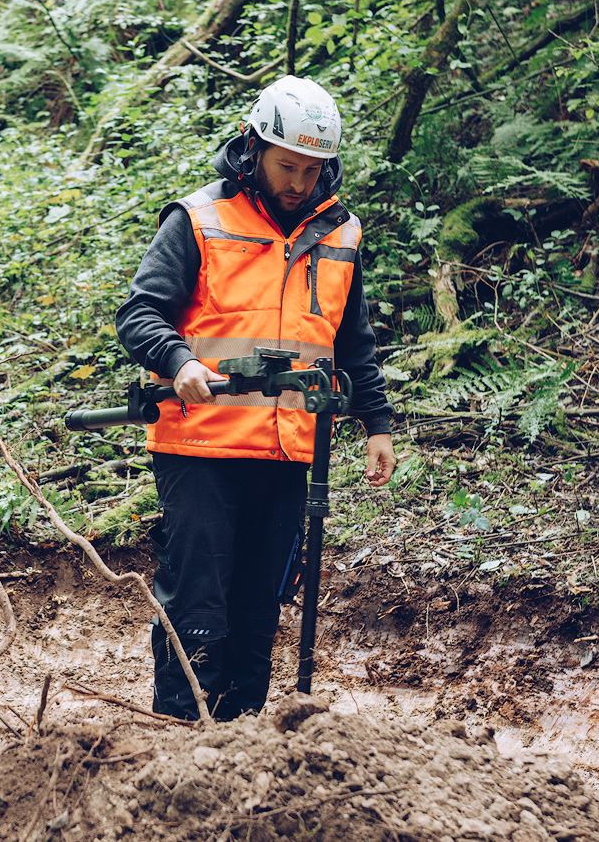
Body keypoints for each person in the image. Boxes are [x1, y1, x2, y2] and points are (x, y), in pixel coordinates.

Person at [115, 75, 396, 721]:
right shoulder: (199, 219)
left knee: (259, 604)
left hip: (289, 449)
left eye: (312, 168)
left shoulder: (342, 234)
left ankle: (242, 741)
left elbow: (352, 340)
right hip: (201, 443)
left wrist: (375, 422)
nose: (299, 181)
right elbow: (140, 313)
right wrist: (177, 359)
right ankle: (179, 731)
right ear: (253, 148)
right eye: (287, 165)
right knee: (199, 601)